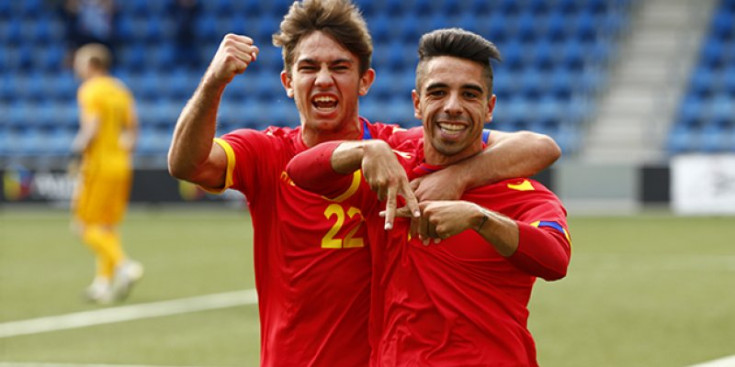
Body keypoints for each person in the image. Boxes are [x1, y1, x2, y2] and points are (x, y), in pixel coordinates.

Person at [168, 0, 560, 365]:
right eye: (309, 68)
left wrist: (457, 179)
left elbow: (538, 146)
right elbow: (187, 164)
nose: (323, 80)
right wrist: (214, 82)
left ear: (365, 80)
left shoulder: (404, 149)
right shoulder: (267, 154)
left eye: (339, 67)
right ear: (288, 82)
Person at [286, 28, 571, 366]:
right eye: (438, 92)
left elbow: (555, 260)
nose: (453, 106)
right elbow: (300, 172)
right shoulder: (392, 175)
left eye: (469, 94)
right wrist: (365, 149)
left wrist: (478, 218)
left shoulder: (524, 195)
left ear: (489, 107)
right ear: (417, 104)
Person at [70, 43, 142, 304]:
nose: (77, 67)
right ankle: (103, 284)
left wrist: (76, 150)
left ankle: (124, 265)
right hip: (121, 165)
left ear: (91, 64)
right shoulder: (120, 89)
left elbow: (93, 126)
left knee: (83, 226)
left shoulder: (90, 90)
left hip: (98, 166)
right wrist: (123, 149)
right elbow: (133, 130)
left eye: (79, 62)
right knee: (107, 227)